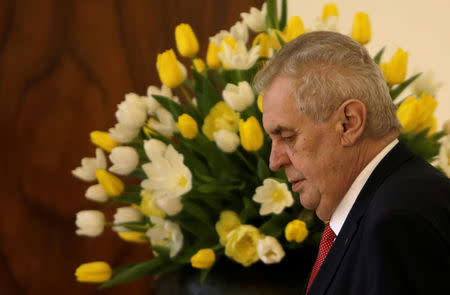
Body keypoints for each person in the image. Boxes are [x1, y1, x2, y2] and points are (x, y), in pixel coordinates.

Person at [253, 31, 450, 295]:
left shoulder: (397, 221)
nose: (274, 161)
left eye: (287, 137)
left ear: (349, 123)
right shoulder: (384, 204)